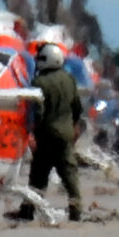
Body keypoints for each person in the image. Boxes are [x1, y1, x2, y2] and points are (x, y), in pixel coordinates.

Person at [17, 39, 86, 220]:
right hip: (66, 135)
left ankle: (28, 210)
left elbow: (37, 113)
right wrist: (74, 125)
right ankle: (76, 209)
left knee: (38, 174)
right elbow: (77, 107)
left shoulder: (39, 82)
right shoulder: (69, 79)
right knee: (69, 172)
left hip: (46, 135)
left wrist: (31, 132)